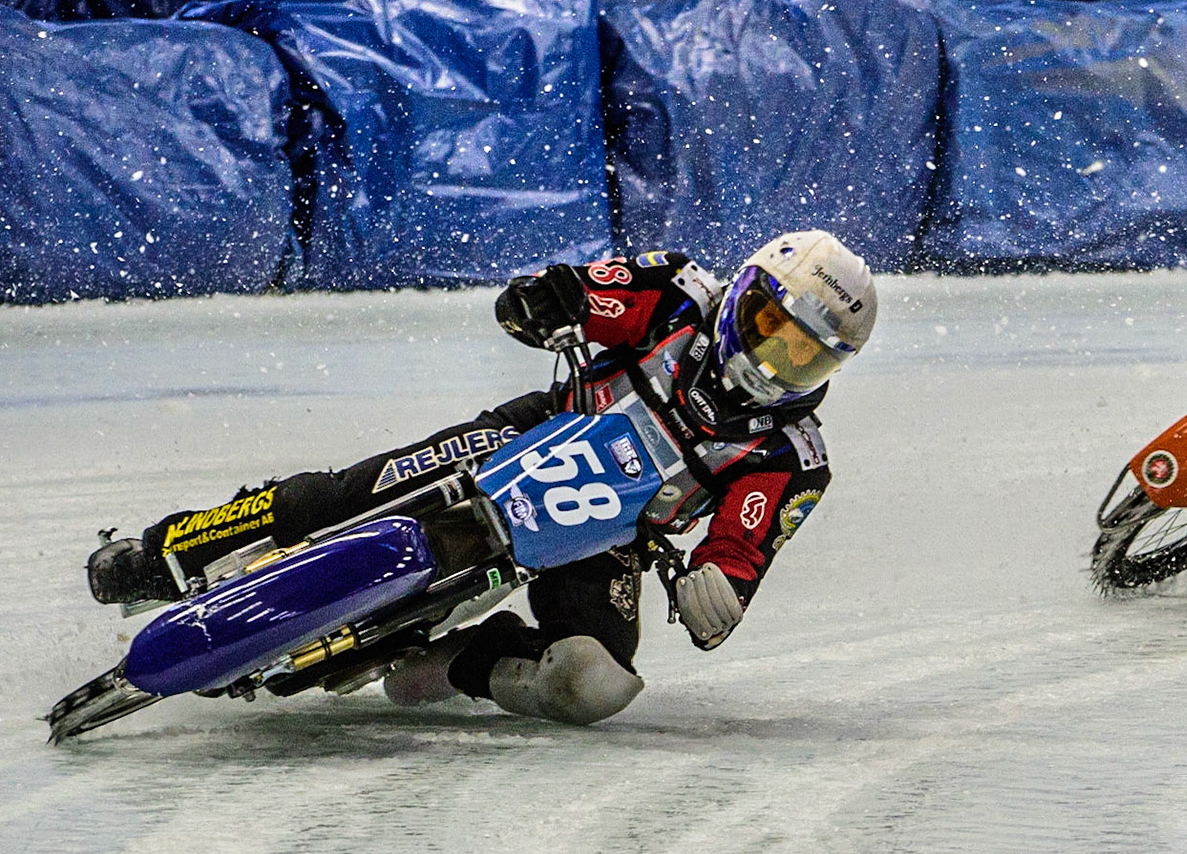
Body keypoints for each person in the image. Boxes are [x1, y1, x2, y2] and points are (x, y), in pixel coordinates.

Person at [85, 229, 877, 724]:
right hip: (530, 430)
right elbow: (581, 293)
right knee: (345, 492)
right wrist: (546, 299)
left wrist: (716, 593)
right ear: (747, 293)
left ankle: (467, 660)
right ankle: (164, 549)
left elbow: (741, 552)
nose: (777, 356)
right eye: (772, 327)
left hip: (612, 537)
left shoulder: (793, 458)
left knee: (593, 683)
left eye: (804, 353)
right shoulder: (678, 291)